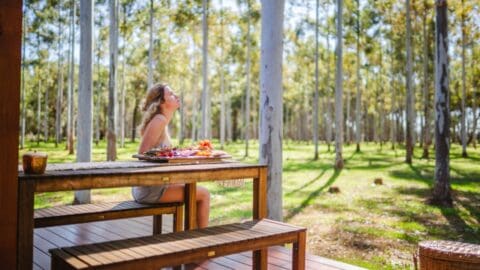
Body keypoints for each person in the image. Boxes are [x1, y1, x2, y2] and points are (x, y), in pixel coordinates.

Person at [132, 83, 210, 228]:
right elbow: (142, 154)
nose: (177, 96)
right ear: (162, 101)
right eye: (171, 94)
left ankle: (193, 238)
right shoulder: (159, 120)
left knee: (193, 189)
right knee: (204, 195)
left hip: (157, 184)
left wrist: (184, 152)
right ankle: (202, 241)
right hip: (150, 190)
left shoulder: (162, 121)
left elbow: (161, 152)